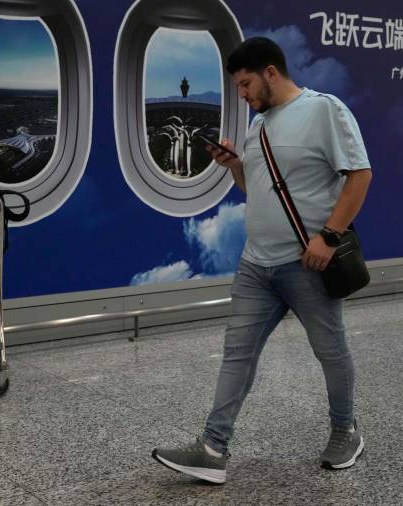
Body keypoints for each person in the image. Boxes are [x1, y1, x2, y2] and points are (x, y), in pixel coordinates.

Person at [152, 37, 373, 483]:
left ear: (272, 72)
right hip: (256, 265)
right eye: (237, 86)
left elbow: (360, 174)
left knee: (330, 351)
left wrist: (328, 237)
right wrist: (233, 165)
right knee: (237, 354)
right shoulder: (259, 128)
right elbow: (255, 191)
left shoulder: (323, 110)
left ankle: (345, 429)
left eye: (247, 83)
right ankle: (213, 448)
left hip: (306, 264)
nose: (243, 94)